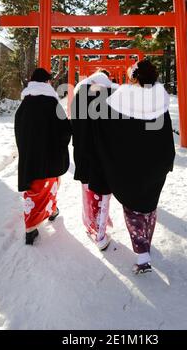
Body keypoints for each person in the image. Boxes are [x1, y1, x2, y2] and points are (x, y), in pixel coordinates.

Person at [90, 60, 175, 274]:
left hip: (127, 165)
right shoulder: (159, 100)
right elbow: (166, 134)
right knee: (149, 205)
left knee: (133, 208)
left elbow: (105, 129)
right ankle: (146, 241)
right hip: (155, 163)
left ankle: (142, 252)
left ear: (134, 77)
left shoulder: (120, 99)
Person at [15, 67, 72, 245]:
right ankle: (34, 226)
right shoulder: (52, 103)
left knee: (33, 190)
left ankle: (44, 217)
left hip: (30, 157)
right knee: (50, 185)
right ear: (47, 82)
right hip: (50, 157)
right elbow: (65, 131)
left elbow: (18, 130)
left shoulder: (25, 104)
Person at [71, 70, 118, 251]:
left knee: (87, 192)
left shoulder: (79, 95)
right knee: (102, 195)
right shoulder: (111, 96)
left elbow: (74, 124)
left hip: (83, 152)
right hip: (103, 155)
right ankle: (100, 234)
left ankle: (89, 223)